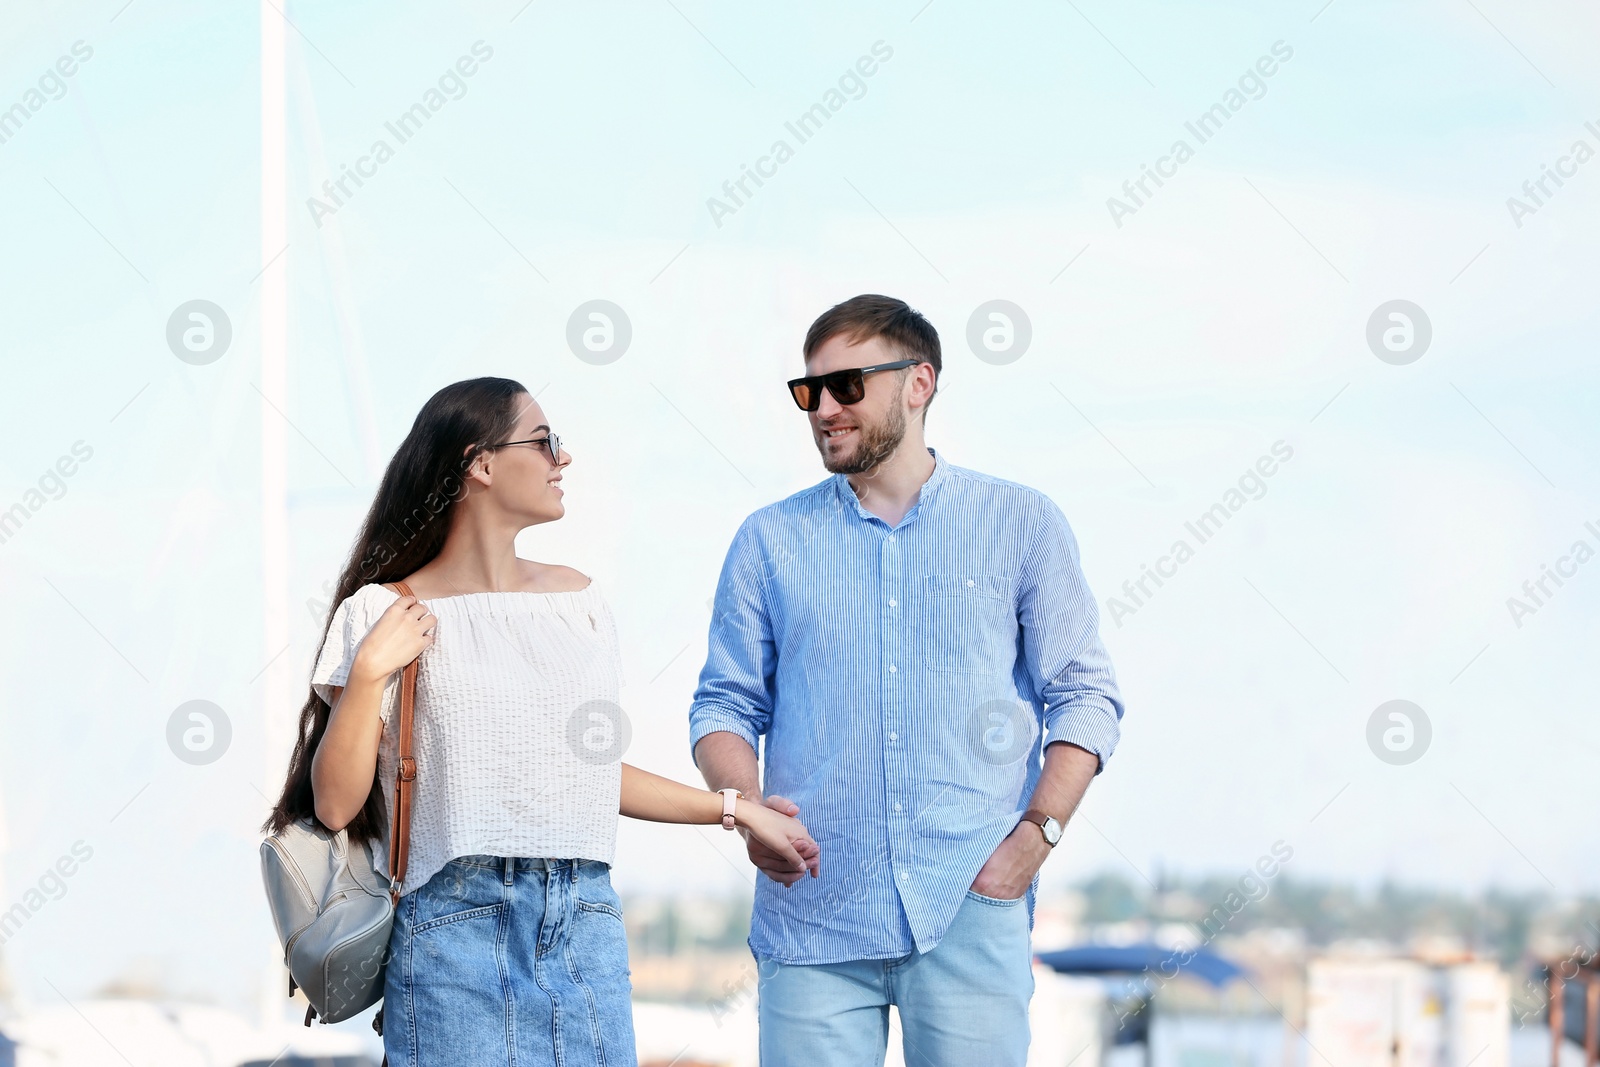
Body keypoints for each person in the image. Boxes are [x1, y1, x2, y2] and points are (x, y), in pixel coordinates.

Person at [264, 377, 819, 1067]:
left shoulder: (578, 604)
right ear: (483, 464)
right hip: (451, 925)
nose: (564, 458)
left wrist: (734, 808)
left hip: (585, 920)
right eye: (546, 440)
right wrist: (372, 668)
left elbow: (586, 778)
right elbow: (336, 801)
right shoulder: (382, 610)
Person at [689, 295, 1125, 1066]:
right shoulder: (768, 540)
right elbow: (725, 702)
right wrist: (747, 807)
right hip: (812, 912)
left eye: (847, 384)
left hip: (971, 904)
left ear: (919, 382)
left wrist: (1037, 835)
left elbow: (1085, 695)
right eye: (809, 391)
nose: (823, 408)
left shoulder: (1022, 524)